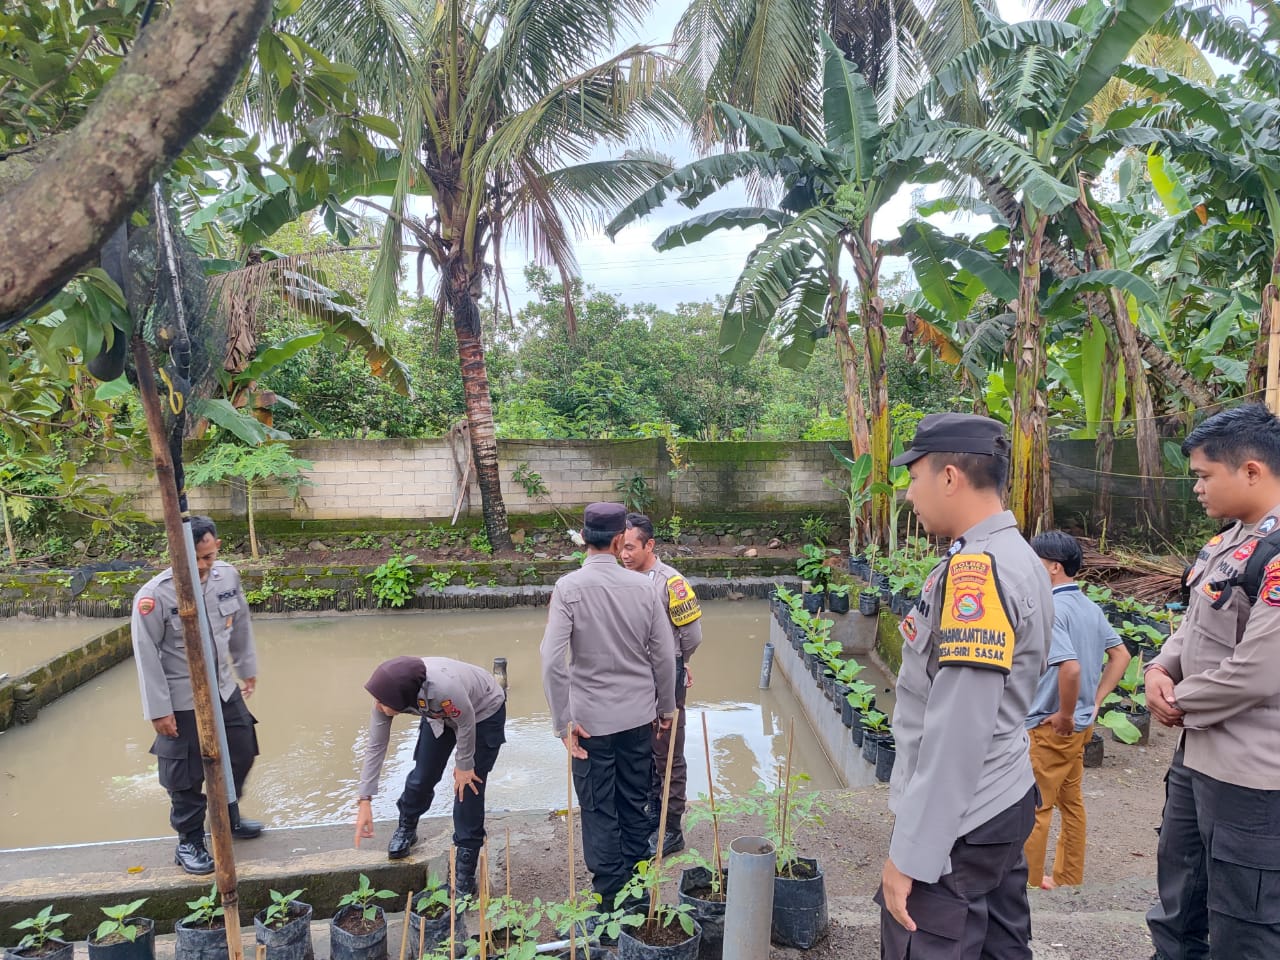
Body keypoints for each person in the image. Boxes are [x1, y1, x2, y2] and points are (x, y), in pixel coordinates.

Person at [876, 413, 1052, 960]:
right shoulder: (1018, 556)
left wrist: (911, 854)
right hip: (1003, 794)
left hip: (963, 818)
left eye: (914, 477)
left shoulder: (979, 572)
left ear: (949, 477)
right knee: (1001, 945)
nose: (909, 494)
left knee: (925, 941)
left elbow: (957, 730)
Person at [1145, 403, 1280, 960]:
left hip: (1250, 775)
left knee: (1244, 926)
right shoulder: (1229, 541)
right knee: (1178, 904)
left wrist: (1180, 699)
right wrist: (1158, 668)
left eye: (1204, 476)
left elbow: (1259, 669)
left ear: (1250, 470)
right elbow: (1195, 623)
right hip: (1196, 756)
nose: (1197, 488)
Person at [541, 502, 677, 919]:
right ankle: (637, 897)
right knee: (635, 803)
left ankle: (608, 906)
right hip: (638, 719)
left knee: (599, 810)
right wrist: (666, 705)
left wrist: (563, 722)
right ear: (620, 540)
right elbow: (664, 656)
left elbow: (551, 660)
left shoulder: (569, 588)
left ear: (584, 539)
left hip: (590, 727)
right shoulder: (645, 588)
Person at [131, 515, 262, 876]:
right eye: (198, 559)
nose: (205, 566)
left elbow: (241, 624)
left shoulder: (226, 577)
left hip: (222, 686)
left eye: (210, 556)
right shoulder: (153, 597)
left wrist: (245, 667)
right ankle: (189, 840)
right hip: (181, 696)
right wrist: (158, 710)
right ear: (178, 554)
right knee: (184, 774)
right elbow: (146, 655)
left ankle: (226, 815)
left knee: (242, 747)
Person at [1023, 531, 1131, 891]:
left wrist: (1065, 714)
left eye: (1035, 562)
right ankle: (1068, 877)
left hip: (1052, 727)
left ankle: (1030, 881)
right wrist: (1095, 701)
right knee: (1071, 803)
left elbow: (1068, 666)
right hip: (1080, 726)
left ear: (1054, 567)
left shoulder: (1050, 608)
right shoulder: (1089, 606)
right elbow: (1122, 656)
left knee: (1037, 807)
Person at [354, 656, 506, 897]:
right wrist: (365, 798)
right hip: (438, 714)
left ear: (403, 698)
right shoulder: (391, 697)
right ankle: (407, 826)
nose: (377, 705)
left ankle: (465, 872)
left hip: (482, 712)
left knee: (468, 788)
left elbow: (466, 722)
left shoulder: (444, 689)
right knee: (423, 775)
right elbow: (375, 745)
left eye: (382, 701)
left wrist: (465, 765)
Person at [621, 512, 703, 858]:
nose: (623, 554)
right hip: (632, 675)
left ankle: (671, 829)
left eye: (629, 547)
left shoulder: (671, 583)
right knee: (642, 751)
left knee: (667, 750)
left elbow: (692, 635)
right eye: (619, 547)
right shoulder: (619, 578)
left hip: (664, 675)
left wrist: (680, 664)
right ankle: (651, 812)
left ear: (649, 545)